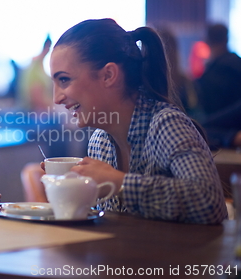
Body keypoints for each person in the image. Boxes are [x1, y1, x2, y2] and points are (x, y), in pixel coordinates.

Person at [46, 18, 226, 224]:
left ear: (108, 75)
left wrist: (119, 182)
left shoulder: (166, 124)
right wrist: (72, 188)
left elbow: (210, 204)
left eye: (64, 80)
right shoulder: (99, 141)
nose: (56, 98)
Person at [196, 23, 241, 117]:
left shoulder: (210, 74)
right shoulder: (238, 63)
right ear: (227, 39)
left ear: (207, 41)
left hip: (218, 127)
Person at [18, 35, 53, 112]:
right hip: (35, 111)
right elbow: (35, 93)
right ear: (48, 46)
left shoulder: (39, 65)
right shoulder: (35, 66)